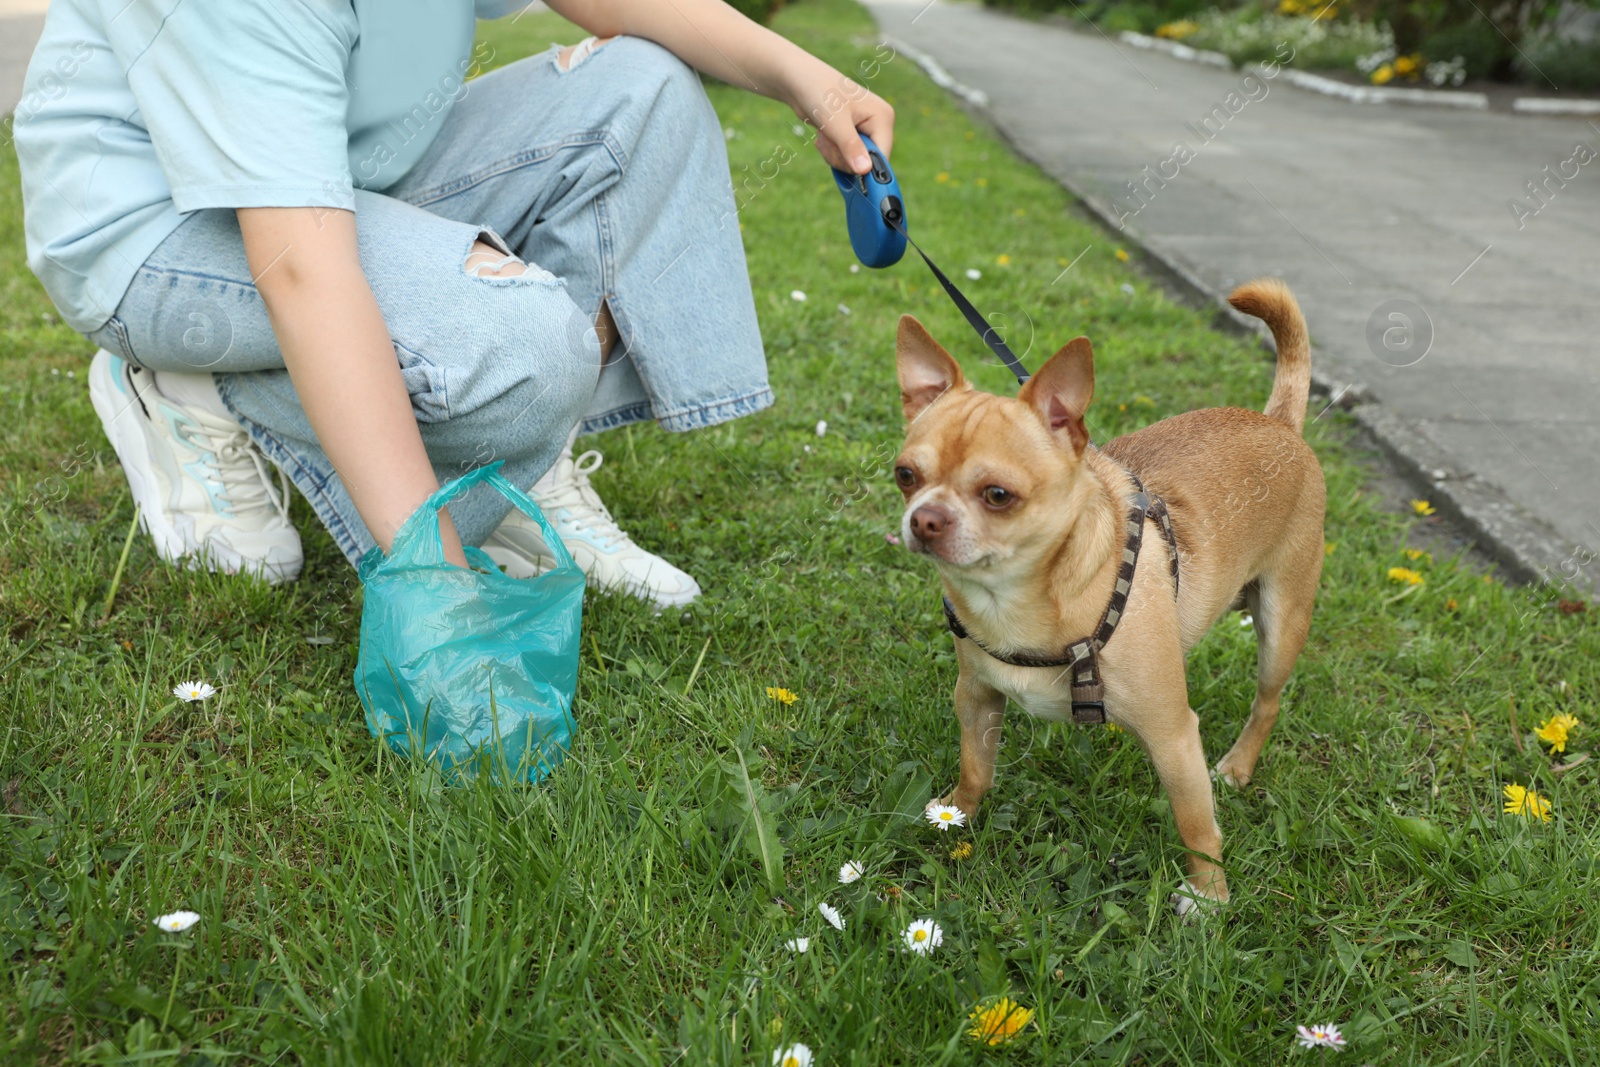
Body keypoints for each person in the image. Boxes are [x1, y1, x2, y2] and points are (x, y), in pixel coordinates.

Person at [16, 0, 894, 608]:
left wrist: (803, 77)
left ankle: (517, 463)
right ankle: (194, 382)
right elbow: (303, 271)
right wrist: (431, 582)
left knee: (644, 92)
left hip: (343, 181)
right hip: (154, 235)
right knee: (529, 345)